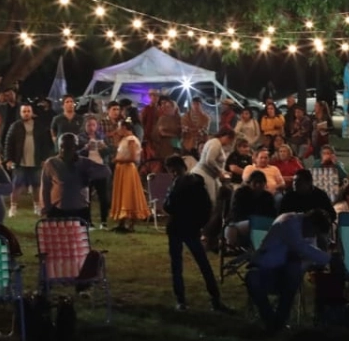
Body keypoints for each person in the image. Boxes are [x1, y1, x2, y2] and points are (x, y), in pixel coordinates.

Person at [245, 209, 332, 332]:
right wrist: (329, 259)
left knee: (294, 271)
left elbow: (308, 256)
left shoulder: (307, 231)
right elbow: (303, 248)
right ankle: (271, 319)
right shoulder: (288, 223)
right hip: (266, 270)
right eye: (314, 232)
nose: (313, 236)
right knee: (253, 278)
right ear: (310, 223)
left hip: (284, 275)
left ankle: (279, 321)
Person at [163, 155, 229, 313]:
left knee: (177, 266)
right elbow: (207, 206)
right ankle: (215, 299)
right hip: (191, 228)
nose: (172, 174)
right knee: (203, 264)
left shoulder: (178, 184)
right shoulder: (198, 183)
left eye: (172, 171)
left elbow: (168, 206)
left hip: (177, 228)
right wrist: (200, 225)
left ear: (175, 169)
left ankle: (181, 301)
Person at [40, 133, 111, 221]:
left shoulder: (84, 163)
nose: (64, 150)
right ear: (58, 147)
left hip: (80, 209)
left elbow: (106, 171)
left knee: (80, 234)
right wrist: (45, 209)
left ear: (75, 147)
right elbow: (45, 188)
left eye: (69, 147)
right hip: (58, 210)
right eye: (62, 147)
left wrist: (89, 174)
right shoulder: (52, 163)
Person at [4, 102, 48, 217]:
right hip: (20, 161)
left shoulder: (39, 126)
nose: (26, 113)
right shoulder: (15, 126)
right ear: (20, 113)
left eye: (28, 111)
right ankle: (13, 207)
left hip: (36, 161)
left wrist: (44, 158)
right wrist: (8, 159)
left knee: (36, 185)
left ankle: (37, 206)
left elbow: (45, 144)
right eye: (24, 111)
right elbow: (8, 143)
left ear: (32, 112)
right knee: (16, 185)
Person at [109, 122, 149, 232]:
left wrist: (118, 160)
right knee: (122, 195)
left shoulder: (131, 140)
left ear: (124, 128)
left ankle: (131, 223)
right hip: (121, 169)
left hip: (127, 169)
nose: (117, 130)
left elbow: (133, 158)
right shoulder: (124, 139)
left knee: (129, 195)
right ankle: (121, 222)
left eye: (119, 127)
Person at [225, 170, 277, 248]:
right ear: (249, 183)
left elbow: (272, 215)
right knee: (232, 229)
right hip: (241, 223)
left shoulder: (268, 197)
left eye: (261, 183)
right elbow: (235, 214)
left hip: (261, 225)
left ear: (265, 184)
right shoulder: (240, 193)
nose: (258, 185)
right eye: (255, 182)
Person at [80, 115, 112, 228]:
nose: (91, 127)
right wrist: (85, 149)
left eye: (93, 125)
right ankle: (88, 222)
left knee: (104, 197)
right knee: (86, 197)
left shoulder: (102, 137)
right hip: (87, 170)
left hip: (101, 169)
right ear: (85, 126)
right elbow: (77, 153)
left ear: (97, 126)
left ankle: (104, 221)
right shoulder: (81, 137)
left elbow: (109, 151)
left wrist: (104, 148)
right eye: (89, 125)